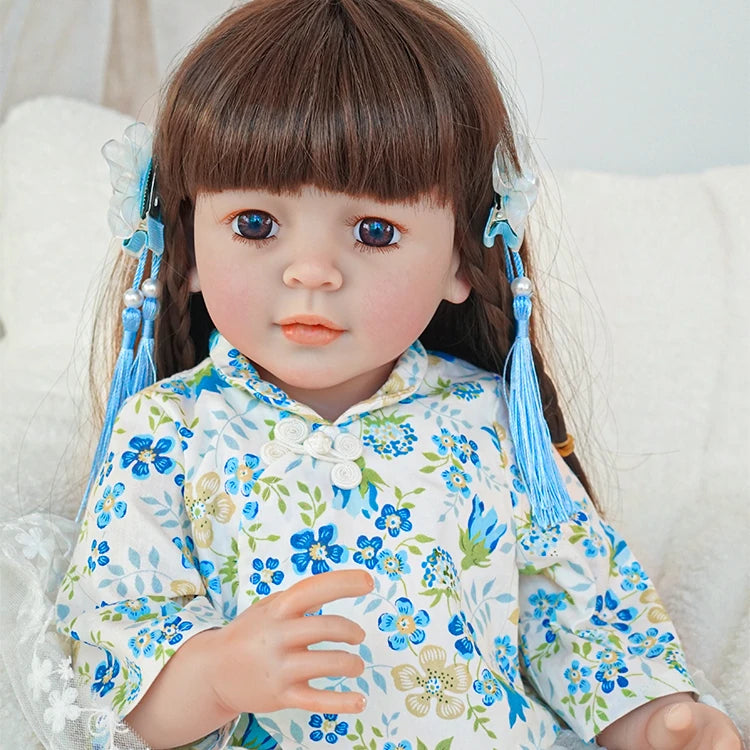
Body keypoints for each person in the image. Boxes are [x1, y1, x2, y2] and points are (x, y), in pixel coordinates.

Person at [45, 1, 742, 749]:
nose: (311, 271)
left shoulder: (494, 424)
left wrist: (652, 722)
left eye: (375, 232)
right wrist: (214, 676)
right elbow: (109, 663)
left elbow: (580, 612)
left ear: (460, 258)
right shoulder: (165, 434)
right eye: (255, 224)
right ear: (184, 239)